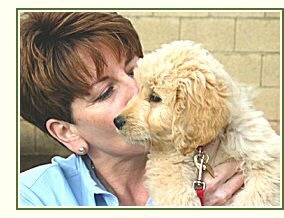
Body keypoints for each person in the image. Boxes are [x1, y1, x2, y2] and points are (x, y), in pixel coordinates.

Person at [20, 12, 244, 206]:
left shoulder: (223, 158)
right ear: (66, 132)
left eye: (133, 69)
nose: (137, 89)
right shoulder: (31, 197)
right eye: (106, 92)